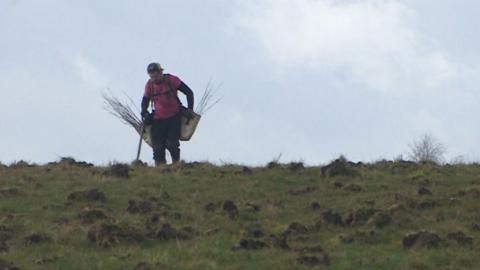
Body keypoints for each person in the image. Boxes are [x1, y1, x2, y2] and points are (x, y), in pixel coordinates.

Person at [141, 63, 194, 165]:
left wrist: (190, 109)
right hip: (158, 119)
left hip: (174, 117)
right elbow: (145, 101)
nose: (154, 79)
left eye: (156, 76)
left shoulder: (172, 80)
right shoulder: (149, 86)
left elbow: (189, 93)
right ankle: (161, 170)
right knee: (157, 148)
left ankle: (176, 165)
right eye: (152, 76)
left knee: (172, 144)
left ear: (161, 72)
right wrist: (144, 113)